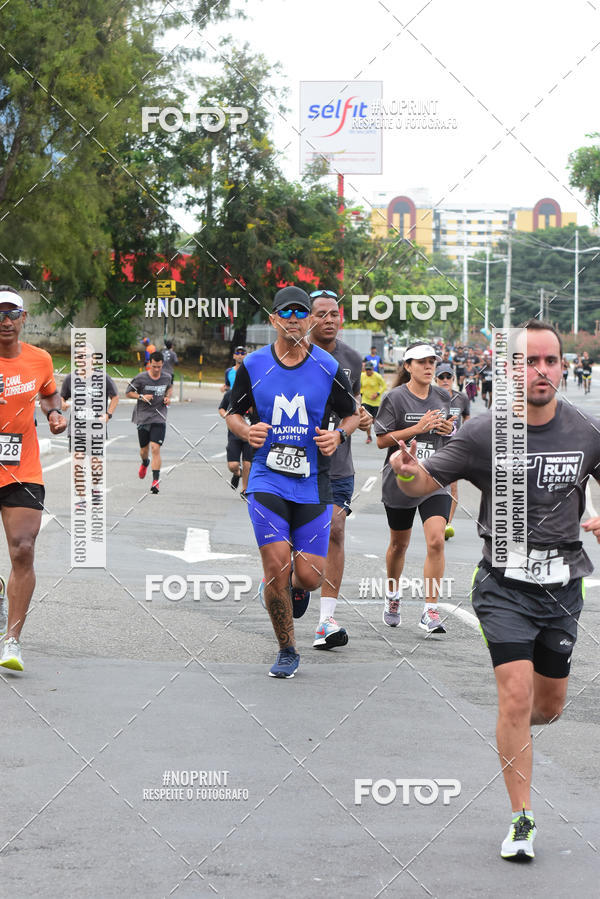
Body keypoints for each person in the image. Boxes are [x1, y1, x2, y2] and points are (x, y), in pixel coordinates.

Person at [390, 319, 600, 861]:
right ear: (510, 370)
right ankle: (522, 819)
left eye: (551, 360)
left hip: (562, 587)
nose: (542, 371)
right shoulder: (486, 432)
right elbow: (422, 483)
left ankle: (514, 730)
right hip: (503, 585)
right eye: (530, 361)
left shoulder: (585, 432)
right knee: (514, 696)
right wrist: (406, 471)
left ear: (562, 366)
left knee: (548, 708)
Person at [226, 286, 359, 678]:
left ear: (309, 318)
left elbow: (353, 413)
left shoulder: (327, 367)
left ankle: (297, 588)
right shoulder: (253, 365)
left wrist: (340, 435)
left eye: (302, 312)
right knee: (275, 565)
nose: (295, 318)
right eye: (287, 312)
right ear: (274, 320)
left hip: (313, 481)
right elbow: (230, 410)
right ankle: (287, 648)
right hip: (267, 478)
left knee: (310, 575)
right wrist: (244, 429)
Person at [0, 286, 67, 670]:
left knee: (23, 547)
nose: (5, 321)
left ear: (24, 319)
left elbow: (48, 394)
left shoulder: (40, 359)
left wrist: (54, 414)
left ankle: (12, 641)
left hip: (21, 466)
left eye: (13, 314)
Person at [374, 343, 455, 633]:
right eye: (421, 362)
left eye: (432, 361)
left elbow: (449, 437)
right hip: (402, 480)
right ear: (408, 366)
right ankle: (393, 596)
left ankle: (429, 611)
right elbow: (382, 440)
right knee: (399, 545)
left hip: (434, 479)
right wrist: (416, 428)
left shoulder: (444, 396)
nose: (429, 366)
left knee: (436, 540)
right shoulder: (395, 398)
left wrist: (450, 431)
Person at [308, 289, 372, 649]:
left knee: (335, 528)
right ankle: (294, 584)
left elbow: (353, 405)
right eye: (321, 313)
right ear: (309, 318)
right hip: (297, 460)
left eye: (334, 314)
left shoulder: (352, 359)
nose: (329, 320)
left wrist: (360, 417)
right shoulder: (296, 354)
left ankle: (326, 620)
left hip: (338, 463)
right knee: (296, 542)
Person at [126, 352, 172, 494]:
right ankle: (145, 462)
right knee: (144, 451)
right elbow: (128, 393)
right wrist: (141, 396)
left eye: (159, 367)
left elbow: (169, 388)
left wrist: (167, 398)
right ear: (149, 364)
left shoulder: (167, 377)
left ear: (162, 364)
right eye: (154, 366)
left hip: (159, 417)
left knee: (155, 448)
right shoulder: (141, 377)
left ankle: (155, 481)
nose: (156, 369)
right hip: (143, 418)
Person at [435, 363, 469, 540]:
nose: (445, 380)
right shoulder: (430, 397)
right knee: (432, 485)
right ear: (436, 379)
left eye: (448, 377)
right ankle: (433, 519)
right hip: (434, 446)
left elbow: (468, 420)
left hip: (454, 447)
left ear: (453, 379)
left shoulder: (461, 398)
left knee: (453, 486)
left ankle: (447, 523)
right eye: (441, 377)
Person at [218, 388, 253, 493]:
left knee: (247, 464)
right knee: (233, 465)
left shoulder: (254, 394)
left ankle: (245, 489)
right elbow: (221, 408)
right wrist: (226, 416)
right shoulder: (231, 394)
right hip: (234, 434)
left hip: (250, 434)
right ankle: (237, 473)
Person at [360, 361, 386, 444]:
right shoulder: (362, 376)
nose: (368, 371)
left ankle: (381, 436)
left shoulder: (377, 376)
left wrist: (378, 393)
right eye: (367, 370)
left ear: (373, 369)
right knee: (367, 418)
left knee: (375, 420)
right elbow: (359, 386)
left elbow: (384, 386)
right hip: (365, 400)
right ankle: (369, 436)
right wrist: (360, 394)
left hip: (375, 402)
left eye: (369, 370)